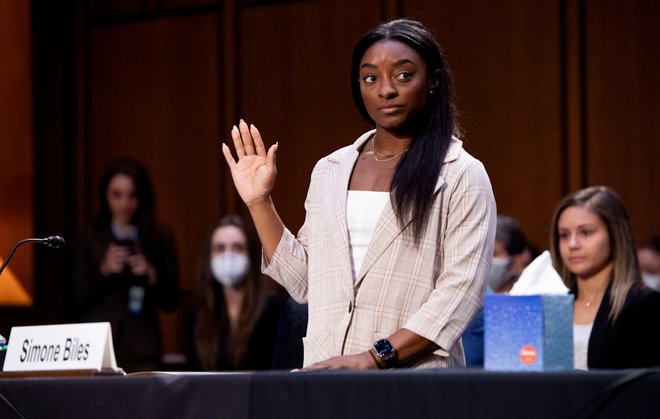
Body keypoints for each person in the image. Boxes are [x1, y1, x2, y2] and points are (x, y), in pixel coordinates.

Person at [221, 19, 496, 369]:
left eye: (403, 75)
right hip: (326, 377)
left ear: (433, 82)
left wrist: (375, 357)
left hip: (413, 382)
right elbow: (305, 282)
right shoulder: (330, 169)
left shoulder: (461, 172)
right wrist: (259, 202)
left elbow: (460, 293)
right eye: (371, 78)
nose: (385, 90)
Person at [72, 158, 180, 372]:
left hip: (143, 346)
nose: (125, 203)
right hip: (97, 343)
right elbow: (73, 299)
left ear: (142, 198)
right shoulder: (89, 238)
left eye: (132, 195)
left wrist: (150, 275)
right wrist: (103, 271)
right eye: (117, 195)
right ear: (105, 195)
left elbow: (172, 300)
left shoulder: (159, 237)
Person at [550, 185, 660, 370]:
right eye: (564, 235)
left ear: (615, 235)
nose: (572, 244)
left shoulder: (644, 305)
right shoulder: (551, 304)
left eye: (585, 232)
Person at [191, 214, 287, 371]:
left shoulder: (276, 309)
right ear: (209, 256)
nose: (228, 256)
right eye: (220, 248)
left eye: (238, 248)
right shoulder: (199, 314)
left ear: (252, 254)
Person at [463, 215, 533, 366]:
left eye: (493, 253)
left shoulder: (529, 306)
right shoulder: (464, 299)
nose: (484, 259)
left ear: (516, 262)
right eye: (480, 251)